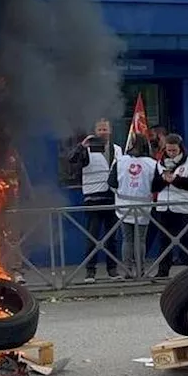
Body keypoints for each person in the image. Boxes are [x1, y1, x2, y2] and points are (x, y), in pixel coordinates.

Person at [67, 118, 122, 282]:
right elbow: (71, 159)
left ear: (110, 131)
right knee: (93, 237)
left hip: (112, 197)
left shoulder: (118, 149)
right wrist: (82, 145)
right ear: (95, 132)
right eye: (100, 130)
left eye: (105, 129)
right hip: (93, 198)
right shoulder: (87, 149)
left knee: (112, 237)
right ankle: (90, 272)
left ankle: (113, 270)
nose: (103, 132)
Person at [151, 134, 188, 278]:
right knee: (164, 241)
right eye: (168, 150)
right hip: (165, 207)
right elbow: (154, 186)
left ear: (180, 148)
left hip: (186, 207)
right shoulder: (160, 163)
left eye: (174, 150)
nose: (171, 153)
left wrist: (175, 180)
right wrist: (163, 179)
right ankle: (163, 271)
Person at [108, 137, 157, 278]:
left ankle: (128, 271)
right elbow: (157, 185)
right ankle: (140, 270)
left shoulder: (121, 161)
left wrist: (120, 193)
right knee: (140, 239)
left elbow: (111, 182)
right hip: (143, 206)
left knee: (127, 239)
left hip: (123, 206)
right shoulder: (152, 164)